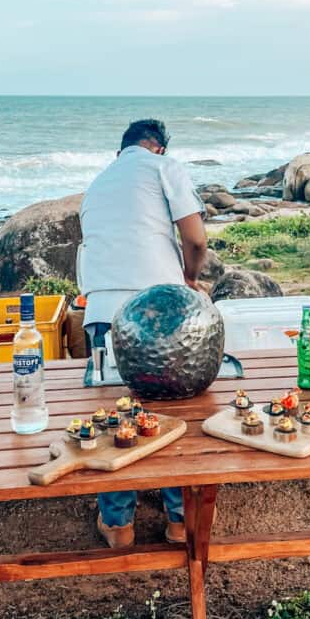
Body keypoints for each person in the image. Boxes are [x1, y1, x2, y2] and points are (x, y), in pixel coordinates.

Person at [79, 118, 208, 548]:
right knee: (171, 401)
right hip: (160, 309)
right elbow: (196, 239)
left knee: (114, 410)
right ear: (158, 148)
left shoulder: (97, 184)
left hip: (101, 309)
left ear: (120, 152)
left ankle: (118, 524)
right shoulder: (163, 167)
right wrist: (189, 278)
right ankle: (177, 520)